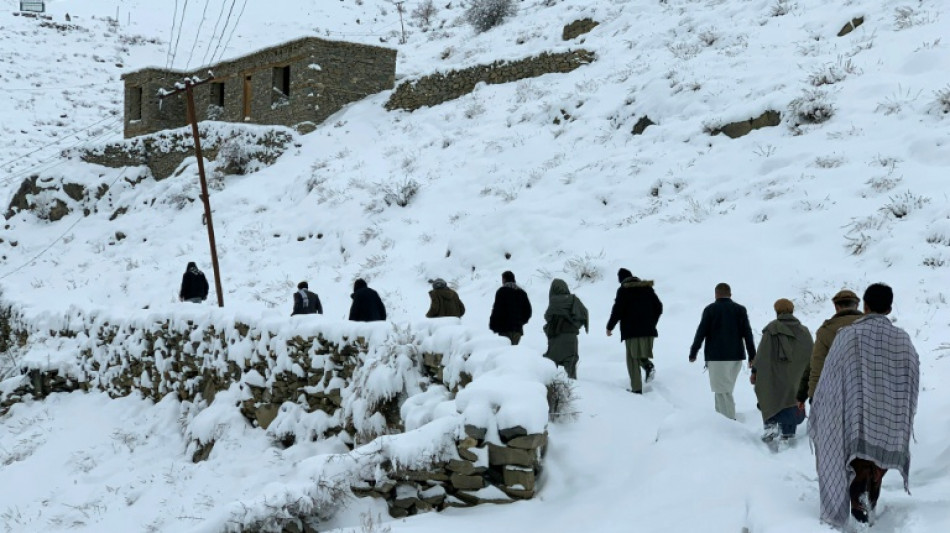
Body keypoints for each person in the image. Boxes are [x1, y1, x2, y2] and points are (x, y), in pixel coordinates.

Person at [809, 283, 919, 527]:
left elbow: (830, 377)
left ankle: (858, 503)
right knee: (875, 464)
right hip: (889, 414)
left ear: (866, 307)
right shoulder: (903, 339)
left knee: (858, 460)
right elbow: (912, 375)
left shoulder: (847, 336)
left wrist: (820, 406)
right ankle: (868, 499)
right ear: (889, 308)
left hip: (857, 414)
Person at [688, 282, 755, 419]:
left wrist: (694, 352)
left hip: (717, 357)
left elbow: (701, 332)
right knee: (725, 390)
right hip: (736, 357)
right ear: (730, 294)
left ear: (716, 294)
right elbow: (747, 333)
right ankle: (721, 421)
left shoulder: (710, 310)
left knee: (722, 392)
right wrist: (752, 356)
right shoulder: (740, 310)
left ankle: (729, 423)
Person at [751, 298, 813, 442]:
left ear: (777, 311)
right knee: (792, 399)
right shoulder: (803, 331)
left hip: (775, 376)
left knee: (768, 394)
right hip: (797, 377)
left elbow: (762, 356)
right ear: (792, 311)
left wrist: (755, 371)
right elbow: (811, 354)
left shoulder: (771, 330)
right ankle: (788, 434)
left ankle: (771, 425)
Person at [796, 289, 863, 408]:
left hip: (836, 397)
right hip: (868, 395)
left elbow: (816, 365)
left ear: (836, 307)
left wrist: (806, 396)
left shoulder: (826, 331)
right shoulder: (873, 327)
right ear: (857, 305)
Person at [606, 268, 663, 394]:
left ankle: (636, 389)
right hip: (648, 331)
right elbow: (659, 307)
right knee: (639, 353)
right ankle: (647, 366)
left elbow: (617, 310)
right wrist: (651, 323)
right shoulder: (647, 288)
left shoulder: (623, 290)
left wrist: (610, 327)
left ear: (621, 280)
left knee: (632, 358)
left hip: (632, 331)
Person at [542, 278, 589, 379]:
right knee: (571, 366)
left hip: (556, 337)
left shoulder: (554, 301)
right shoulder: (573, 299)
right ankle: (574, 387)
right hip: (571, 338)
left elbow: (547, 317)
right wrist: (575, 324)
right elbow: (584, 313)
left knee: (551, 362)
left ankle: (553, 388)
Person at [488, 271, 532, 345]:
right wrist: (520, 322)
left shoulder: (501, 291)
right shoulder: (522, 293)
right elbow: (528, 312)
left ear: (504, 279)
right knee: (513, 352)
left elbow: (497, 310)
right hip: (517, 329)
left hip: (504, 328)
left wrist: (493, 325)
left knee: (504, 351)